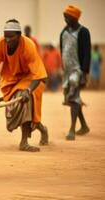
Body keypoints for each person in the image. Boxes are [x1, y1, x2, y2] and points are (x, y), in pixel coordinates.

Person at [0, 19, 48, 152]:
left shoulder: (28, 45)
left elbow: (39, 75)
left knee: (25, 103)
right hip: (10, 80)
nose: (7, 40)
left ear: (19, 36)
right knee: (18, 108)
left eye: (11, 37)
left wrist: (28, 90)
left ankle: (24, 142)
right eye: (5, 36)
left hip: (30, 79)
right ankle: (42, 129)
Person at [60, 5, 91, 140]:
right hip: (67, 71)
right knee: (72, 98)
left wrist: (84, 72)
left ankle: (72, 129)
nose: (65, 19)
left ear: (74, 17)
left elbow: (87, 53)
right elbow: (62, 49)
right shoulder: (64, 32)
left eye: (67, 17)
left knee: (73, 97)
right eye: (64, 17)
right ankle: (83, 125)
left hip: (77, 71)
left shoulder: (83, 32)